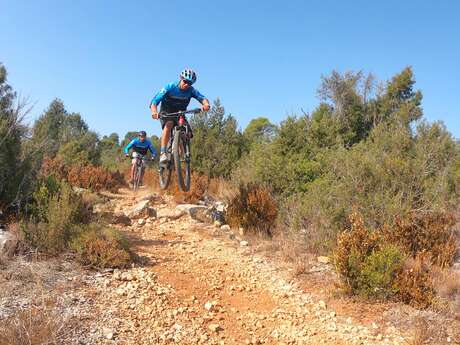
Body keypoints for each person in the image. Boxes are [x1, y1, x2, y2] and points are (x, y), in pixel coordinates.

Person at [150, 68, 210, 164]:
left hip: (180, 112)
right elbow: (154, 101)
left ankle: (181, 147)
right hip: (167, 111)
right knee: (169, 124)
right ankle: (163, 152)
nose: (187, 85)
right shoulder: (170, 86)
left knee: (188, 133)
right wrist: (154, 112)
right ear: (181, 78)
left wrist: (206, 105)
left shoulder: (191, 90)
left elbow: (202, 98)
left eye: (190, 83)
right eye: (185, 81)